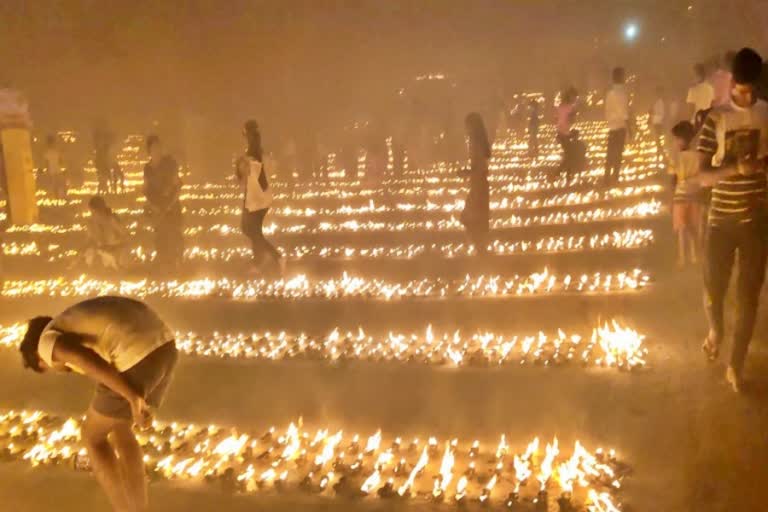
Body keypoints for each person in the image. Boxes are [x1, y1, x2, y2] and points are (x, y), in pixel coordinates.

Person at [18, 297, 178, 512]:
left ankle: (124, 509)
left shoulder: (45, 342)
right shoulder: (71, 322)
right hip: (165, 348)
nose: (60, 368)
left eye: (46, 366)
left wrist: (131, 396)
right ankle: (139, 508)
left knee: (92, 438)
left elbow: (84, 359)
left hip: (135, 356)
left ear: (39, 357)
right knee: (121, 428)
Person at [694, 48, 768, 392]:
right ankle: (716, 330)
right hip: (720, 221)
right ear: (733, 84)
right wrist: (736, 168)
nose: (747, 97)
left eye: (753, 91)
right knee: (713, 290)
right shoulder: (717, 119)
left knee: (748, 297)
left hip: (756, 221)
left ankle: (735, 365)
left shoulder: (767, 115)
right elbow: (702, 177)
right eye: (741, 90)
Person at [235, 120, 285, 274]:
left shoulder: (253, 152)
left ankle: (275, 257)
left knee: (249, 229)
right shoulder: (255, 150)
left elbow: (252, 175)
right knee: (253, 230)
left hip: (256, 198)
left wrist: (241, 165)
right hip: (258, 196)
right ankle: (259, 262)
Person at [143, 135, 183, 269]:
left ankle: (177, 262)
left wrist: (170, 204)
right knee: (160, 236)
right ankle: (164, 263)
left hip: (171, 205)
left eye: (159, 147)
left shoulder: (170, 163)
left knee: (174, 234)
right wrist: (152, 205)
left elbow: (177, 185)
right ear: (149, 150)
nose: (157, 150)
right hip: (156, 207)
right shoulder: (147, 168)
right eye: (154, 148)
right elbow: (146, 188)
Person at [667, 121, 701, 267]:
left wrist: (670, 200)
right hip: (695, 195)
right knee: (693, 226)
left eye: (675, 139)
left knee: (682, 228)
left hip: (680, 197)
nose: (675, 142)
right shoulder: (698, 156)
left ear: (681, 140)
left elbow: (673, 180)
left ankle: (682, 258)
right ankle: (695, 255)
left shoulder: (676, 158)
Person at [459, 112, 491, 255]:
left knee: (471, 218)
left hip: (478, 186)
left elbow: (479, 167)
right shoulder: (479, 142)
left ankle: (481, 250)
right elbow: (480, 167)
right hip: (480, 184)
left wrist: (466, 173)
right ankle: (481, 249)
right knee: (475, 218)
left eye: (467, 126)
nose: (466, 130)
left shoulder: (475, 143)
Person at [82, 196, 129, 270]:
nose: (94, 214)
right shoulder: (91, 222)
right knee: (90, 254)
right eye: (92, 211)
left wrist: (115, 245)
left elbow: (125, 235)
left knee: (119, 258)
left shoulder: (112, 219)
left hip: (115, 249)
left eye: (95, 211)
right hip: (100, 251)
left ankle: (115, 266)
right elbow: (90, 239)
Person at [604, 67, 631, 186]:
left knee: (610, 153)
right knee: (618, 154)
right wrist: (630, 128)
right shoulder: (622, 94)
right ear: (621, 78)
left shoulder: (609, 93)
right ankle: (615, 177)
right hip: (620, 127)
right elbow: (624, 113)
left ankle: (606, 177)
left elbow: (606, 110)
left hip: (611, 127)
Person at [556, 88, 578, 179]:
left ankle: (568, 174)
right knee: (570, 154)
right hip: (564, 133)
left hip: (561, 132)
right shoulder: (569, 107)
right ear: (570, 96)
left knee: (570, 154)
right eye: (574, 97)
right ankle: (558, 172)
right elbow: (570, 120)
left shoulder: (561, 106)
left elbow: (558, 119)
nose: (575, 99)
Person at [43, 134, 67, 199]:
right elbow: (60, 161)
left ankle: (57, 196)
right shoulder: (55, 152)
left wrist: (47, 171)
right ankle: (58, 196)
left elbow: (47, 163)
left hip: (53, 170)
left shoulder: (48, 152)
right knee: (58, 184)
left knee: (56, 184)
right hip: (55, 170)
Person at [650, 87, 667, 164]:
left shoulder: (660, 102)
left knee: (658, 142)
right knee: (658, 142)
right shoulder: (657, 102)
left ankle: (662, 158)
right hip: (656, 123)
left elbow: (661, 114)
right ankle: (659, 158)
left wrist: (652, 113)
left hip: (657, 124)